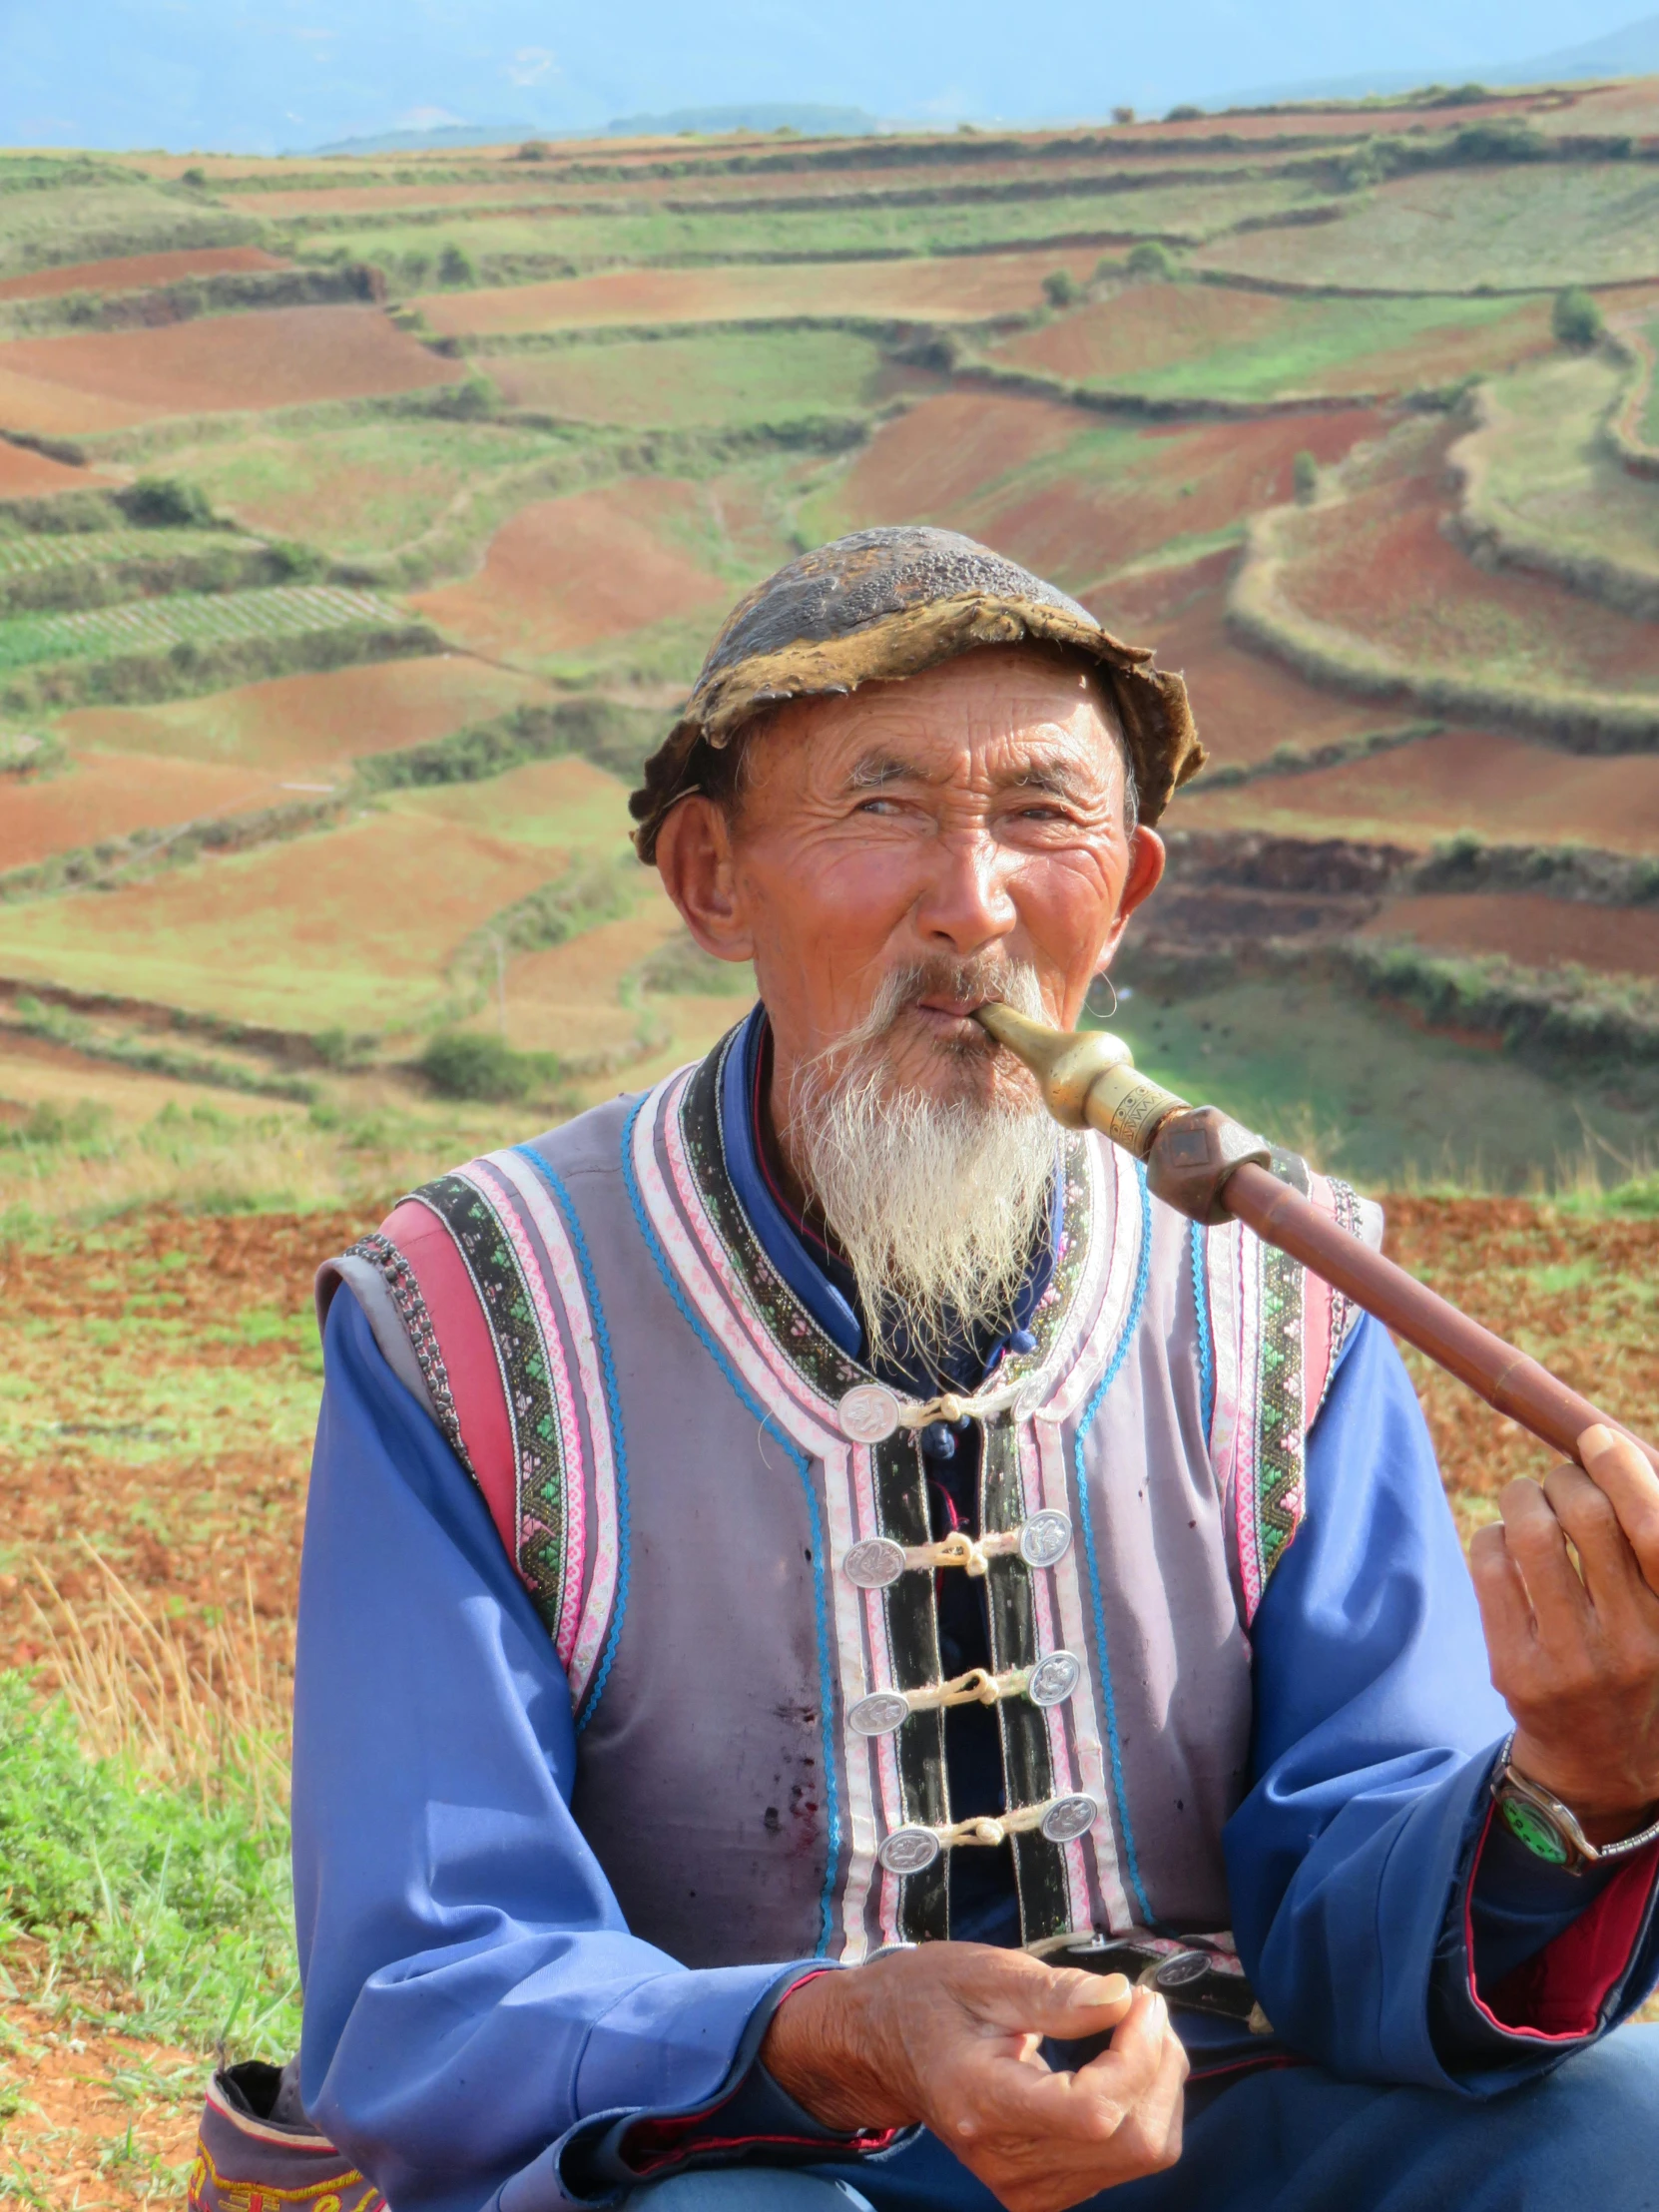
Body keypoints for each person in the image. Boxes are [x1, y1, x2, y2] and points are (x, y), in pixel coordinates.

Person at [191, 529, 1659, 2212]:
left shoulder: (1274, 1278)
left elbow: (1360, 1853)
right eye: (882, 809)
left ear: (1125, 891)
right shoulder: (467, 1310)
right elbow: (430, 1978)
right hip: (735, 2148)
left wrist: (1569, 1797)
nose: (973, 908)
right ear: (709, 878)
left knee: (1623, 2136)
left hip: (1199, 2125)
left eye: (1044, 819)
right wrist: (834, 2033)